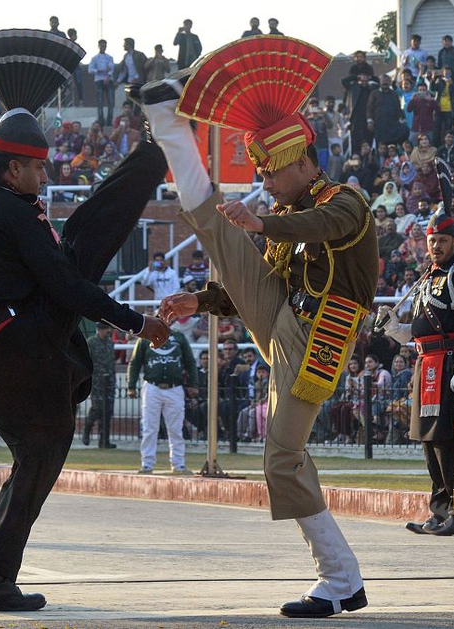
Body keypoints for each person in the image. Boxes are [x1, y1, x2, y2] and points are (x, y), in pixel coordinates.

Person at [0, 30, 170, 612]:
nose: (45, 178)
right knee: (80, 251)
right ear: (12, 170)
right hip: (13, 348)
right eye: (37, 170)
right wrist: (138, 324)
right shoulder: (11, 211)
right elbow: (64, 287)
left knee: (34, 459)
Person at [134, 36, 376, 618]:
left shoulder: (347, 202)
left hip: (319, 335)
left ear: (299, 160)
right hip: (283, 323)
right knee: (219, 230)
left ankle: (341, 578)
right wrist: (203, 298)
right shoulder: (284, 215)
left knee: (281, 457)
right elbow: (257, 277)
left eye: (270, 171)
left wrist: (264, 223)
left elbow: (325, 224)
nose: (264, 180)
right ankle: (169, 126)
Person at [380, 209, 454, 536]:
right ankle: (439, 512)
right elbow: (421, 331)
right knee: (431, 442)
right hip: (426, 365)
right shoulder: (428, 276)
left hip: (452, 365)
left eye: (442, 240)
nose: (436, 245)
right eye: (432, 240)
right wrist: (394, 328)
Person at [127, 326, 198, 474]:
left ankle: (178, 464)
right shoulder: (145, 338)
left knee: (176, 428)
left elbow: (190, 361)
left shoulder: (179, 338)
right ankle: (147, 464)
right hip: (152, 386)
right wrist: (131, 386)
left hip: (175, 387)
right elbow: (135, 362)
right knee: (149, 427)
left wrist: (193, 384)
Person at [84, 322, 118, 448]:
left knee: (108, 411)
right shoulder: (91, 342)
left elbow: (112, 361)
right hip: (97, 381)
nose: (108, 331)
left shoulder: (110, 342)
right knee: (97, 408)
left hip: (109, 381)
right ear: (99, 329)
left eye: (109, 328)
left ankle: (104, 441)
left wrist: (114, 380)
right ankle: (87, 429)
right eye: (105, 329)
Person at [88, 39, 115, 126]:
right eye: (101, 45)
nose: (103, 47)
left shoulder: (109, 57)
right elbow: (90, 70)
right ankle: (101, 121)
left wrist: (107, 76)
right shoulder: (95, 58)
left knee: (110, 101)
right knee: (100, 101)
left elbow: (111, 69)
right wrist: (98, 70)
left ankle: (109, 121)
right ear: (98, 46)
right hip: (98, 80)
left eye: (104, 45)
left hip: (109, 80)